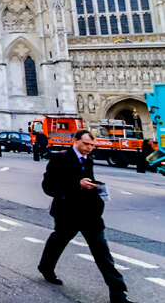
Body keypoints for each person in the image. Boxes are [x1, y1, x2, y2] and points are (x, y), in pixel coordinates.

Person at [38, 130, 133, 303]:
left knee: (102, 252)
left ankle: (118, 292)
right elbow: (49, 186)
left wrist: (96, 189)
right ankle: (46, 267)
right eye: (86, 144)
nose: (89, 148)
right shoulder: (60, 158)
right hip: (67, 213)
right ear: (75, 141)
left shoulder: (88, 160)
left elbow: (87, 183)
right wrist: (77, 185)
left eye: (92, 145)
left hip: (90, 214)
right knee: (58, 241)